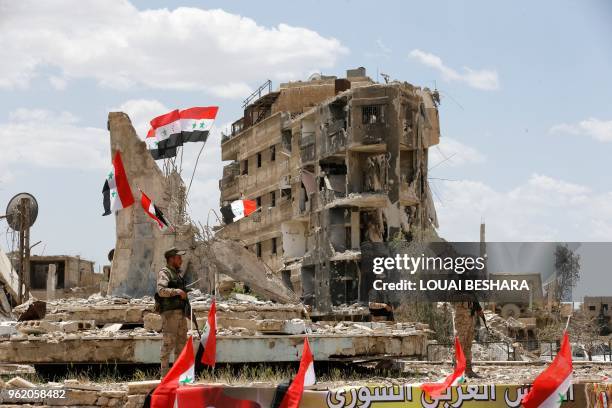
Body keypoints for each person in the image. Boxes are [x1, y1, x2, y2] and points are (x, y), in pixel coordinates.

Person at [157, 247, 188, 376]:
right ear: (171, 259)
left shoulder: (177, 274)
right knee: (168, 344)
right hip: (170, 315)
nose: (181, 260)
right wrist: (177, 291)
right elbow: (161, 290)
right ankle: (164, 375)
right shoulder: (165, 273)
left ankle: (178, 374)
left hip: (180, 314)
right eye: (178, 257)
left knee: (181, 345)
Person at [454, 298, 484, 378]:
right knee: (461, 341)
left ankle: (468, 370)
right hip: (462, 310)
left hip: (471, 310)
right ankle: (458, 370)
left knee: (468, 343)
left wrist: (478, 308)